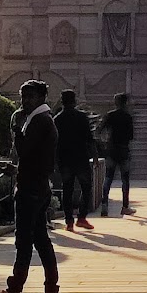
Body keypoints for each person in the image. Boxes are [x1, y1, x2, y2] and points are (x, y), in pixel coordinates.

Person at [0, 80, 61, 293]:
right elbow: (36, 159)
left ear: (41, 98)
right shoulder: (43, 120)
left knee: (24, 241)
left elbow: (25, 151)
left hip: (30, 190)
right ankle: (51, 290)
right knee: (41, 240)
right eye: (23, 96)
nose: (24, 101)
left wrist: (17, 130)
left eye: (30, 96)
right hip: (38, 185)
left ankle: (14, 292)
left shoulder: (39, 121)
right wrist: (18, 169)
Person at [54, 90, 96, 233]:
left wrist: (54, 160)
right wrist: (95, 156)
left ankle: (69, 221)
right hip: (81, 158)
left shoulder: (57, 119)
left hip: (65, 159)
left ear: (62, 101)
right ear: (75, 100)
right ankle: (81, 217)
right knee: (86, 187)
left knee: (67, 189)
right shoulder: (81, 117)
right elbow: (89, 138)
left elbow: (54, 142)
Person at [98, 92, 135, 217]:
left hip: (112, 150)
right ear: (125, 103)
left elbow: (99, 129)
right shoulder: (128, 117)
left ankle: (104, 205)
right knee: (125, 180)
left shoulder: (110, 115)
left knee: (108, 178)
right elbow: (131, 136)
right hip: (123, 150)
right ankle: (125, 206)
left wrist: (104, 142)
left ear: (116, 102)